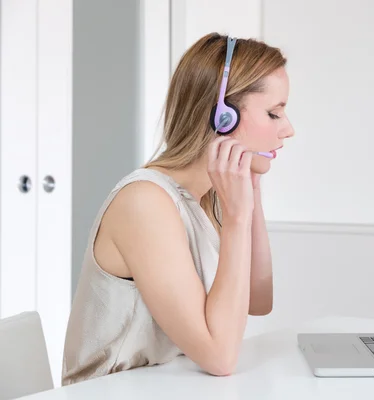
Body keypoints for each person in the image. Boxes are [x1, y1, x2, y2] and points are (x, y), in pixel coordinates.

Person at [61, 32, 295, 385]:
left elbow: (258, 300)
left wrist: (250, 193)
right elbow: (219, 356)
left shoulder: (211, 197)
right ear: (222, 118)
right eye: (274, 113)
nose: (288, 130)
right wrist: (236, 220)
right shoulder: (145, 203)